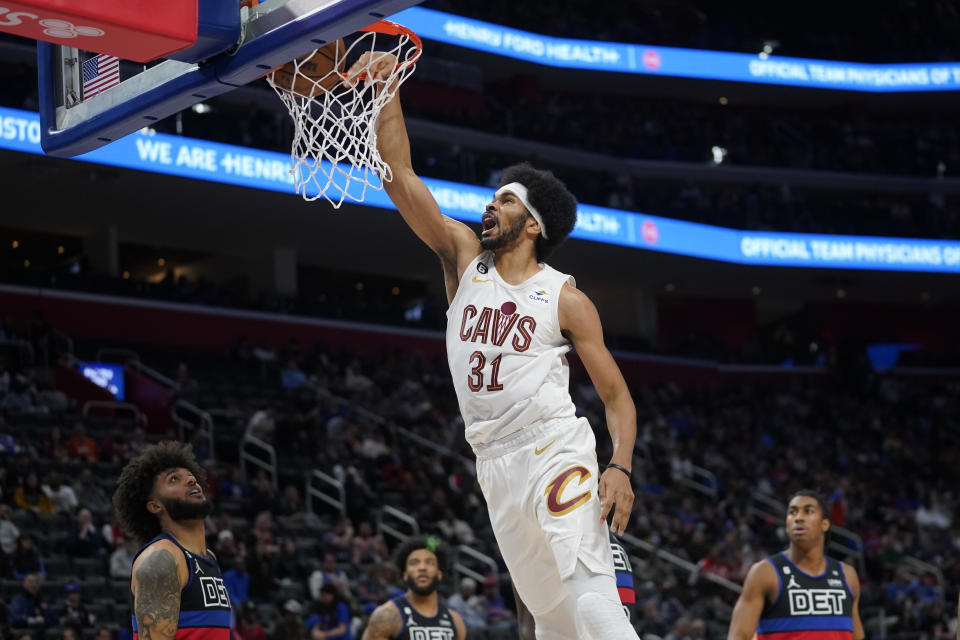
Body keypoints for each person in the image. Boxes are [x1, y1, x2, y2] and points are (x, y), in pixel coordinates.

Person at [360, 53, 640, 639]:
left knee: (590, 592)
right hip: (492, 460)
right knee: (551, 620)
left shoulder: (564, 298)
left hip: (554, 446)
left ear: (533, 224)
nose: (491, 206)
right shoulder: (464, 259)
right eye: (493, 198)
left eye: (506, 200)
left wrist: (619, 465)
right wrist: (387, 88)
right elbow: (399, 175)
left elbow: (617, 397)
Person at [112, 441, 232, 640]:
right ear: (155, 506)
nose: (191, 481)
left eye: (191, 477)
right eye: (174, 479)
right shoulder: (161, 559)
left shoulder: (208, 557)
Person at [726, 490, 865, 640]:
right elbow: (738, 637)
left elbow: (857, 637)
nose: (798, 518)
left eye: (808, 511)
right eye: (792, 512)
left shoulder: (847, 575)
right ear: (786, 526)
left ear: (824, 524)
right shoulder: (764, 572)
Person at [361, 536, 466, 640]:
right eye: (414, 563)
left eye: (429, 562)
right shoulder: (386, 616)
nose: (422, 568)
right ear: (405, 574)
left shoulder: (456, 621)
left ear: (439, 574)